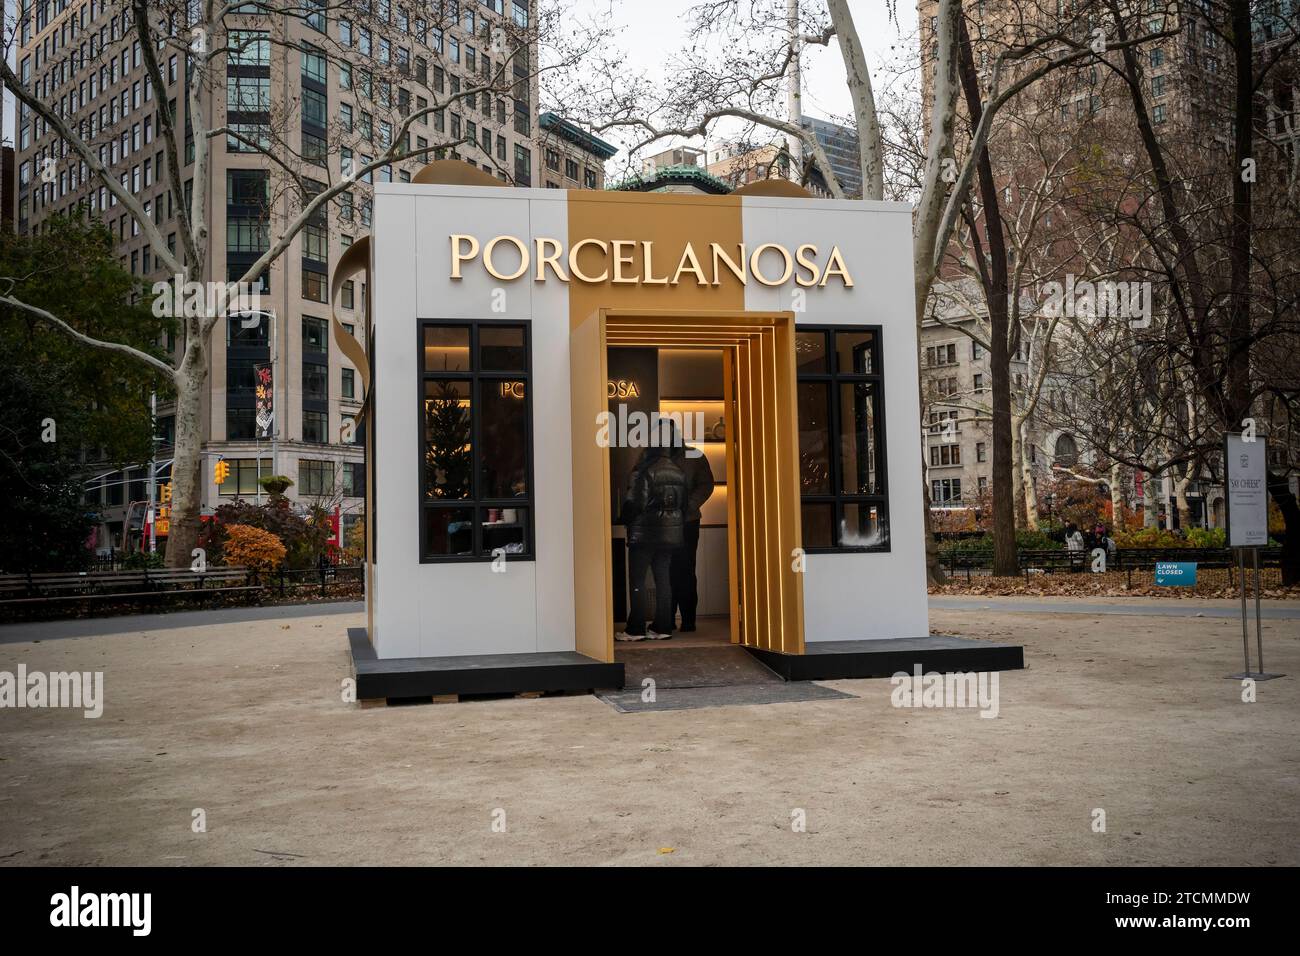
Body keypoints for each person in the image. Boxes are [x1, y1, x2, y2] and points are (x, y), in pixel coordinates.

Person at [617, 420, 687, 642]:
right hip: (669, 534)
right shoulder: (678, 471)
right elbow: (683, 506)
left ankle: (636, 628)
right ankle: (663, 626)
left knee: (637, 579)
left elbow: (635, 503)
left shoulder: (645, 470)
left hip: (644, 534)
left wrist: (624, 518)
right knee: (663, 579)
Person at [669, 440, 715, 633]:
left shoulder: (694, 455)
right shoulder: (653, 454)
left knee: (685, 569)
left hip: (687, 521)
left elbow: (706, 484)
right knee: (665, 571)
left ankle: (688, 620)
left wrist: (689, 505)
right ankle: (667, 619)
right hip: (664, 522)